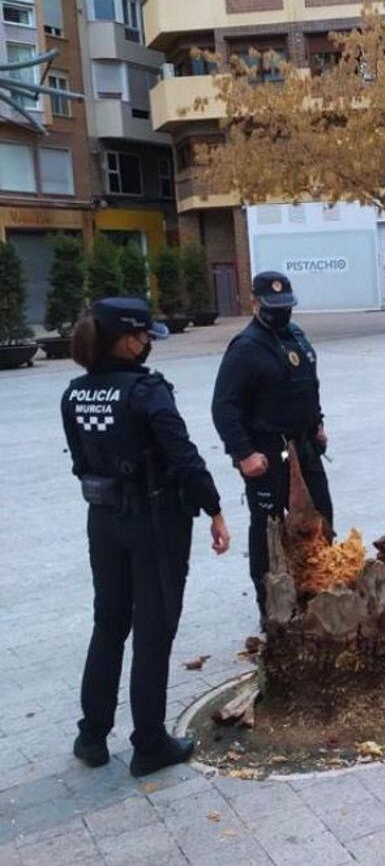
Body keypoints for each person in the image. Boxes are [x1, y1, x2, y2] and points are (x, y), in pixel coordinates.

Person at [62, 298, 230, 777]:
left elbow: (80, 461)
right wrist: (214, 507)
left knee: (109, 624)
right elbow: (183, 454)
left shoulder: (74, 394)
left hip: (104, 521)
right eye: (144, 335)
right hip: (154, 525)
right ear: (126, 338)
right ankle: (150, 745)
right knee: (153, 634)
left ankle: (92, 736)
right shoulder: (147, 391)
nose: (149, 343)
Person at [211, 272, 332, 625]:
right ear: (255, 304)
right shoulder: (246, 347)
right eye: (273, 307)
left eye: (287, 306)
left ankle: (320, 591)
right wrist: (243, 453)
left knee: (321, 516)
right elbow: (224, 406)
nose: (281, 313)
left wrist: (319, 422)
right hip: (266, 452)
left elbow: (309, 384)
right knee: (268, 529)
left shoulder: (296, 337)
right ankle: (272, 608)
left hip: (305, 444)